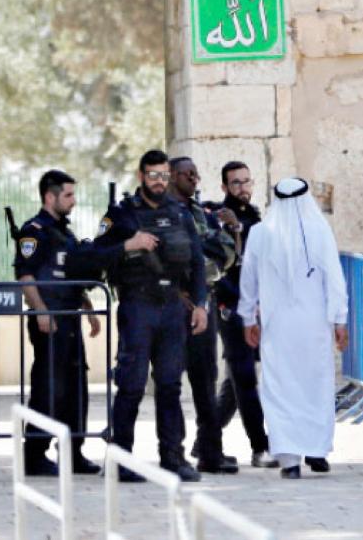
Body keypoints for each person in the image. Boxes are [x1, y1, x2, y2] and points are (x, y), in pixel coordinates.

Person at [14, 170, 157, 476]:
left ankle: (73, 451)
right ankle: (34, 454)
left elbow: (72, 271)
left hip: (69, 317)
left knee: (75, 387)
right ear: (50, 197)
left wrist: (87, 305)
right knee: (48, 387)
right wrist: (40, 311)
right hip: (50, 319)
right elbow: (25, 276)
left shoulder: (64, 233)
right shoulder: (34, 231)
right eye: (68, 195)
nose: (74, 202)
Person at [94, 150, 208, 483]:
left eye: (163, 176)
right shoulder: (122, 215)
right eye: (152, 175)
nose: (158, 182)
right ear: (141, 175)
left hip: (172, 308)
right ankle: (119, 460)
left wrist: (199, 303)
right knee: (130, 385)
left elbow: (198, 263)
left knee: (170, 385)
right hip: (137, 307)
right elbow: (94, 255)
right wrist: (129, 245)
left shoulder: (180, 213)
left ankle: (172, 458)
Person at [239, 177, 349, 479]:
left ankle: (291, 460)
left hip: (279, 327)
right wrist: (340, 319)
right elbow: (335, 279)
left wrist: (248, 317)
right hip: (311, 325)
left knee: (283, 387)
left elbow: (248, 280)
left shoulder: (261, 233)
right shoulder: (319, 230)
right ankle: (313, 450)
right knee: (314, 386)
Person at [168, 157, 238, 474]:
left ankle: (211, 452)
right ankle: (173, 453)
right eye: (188, 174)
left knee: (205, 381)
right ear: (171, 176)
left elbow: (224, 254)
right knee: (169, 383)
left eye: (197, 174)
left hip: (200, 304)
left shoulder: (202, 214)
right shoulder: (160, 213)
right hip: (170, 307)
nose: (195, 179)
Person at [208, 161, 277, 468]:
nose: (242, 188)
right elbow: (222, 269)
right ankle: (260, 447)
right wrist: (239, 304)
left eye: (247, 181)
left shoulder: (254, 217)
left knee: (236, 381)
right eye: (235, 183)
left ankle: (204, 440)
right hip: (232, 307)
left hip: (257, 307)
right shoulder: (220, 218)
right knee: (245, 376)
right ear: (225, 187)